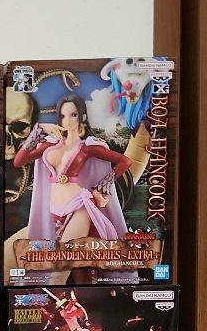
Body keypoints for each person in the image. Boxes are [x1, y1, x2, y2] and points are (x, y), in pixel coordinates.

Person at [13, 94, 131, 252]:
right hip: (54, 208)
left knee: (64, 255)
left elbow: (125, 161)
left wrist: (106, 181)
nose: (67, 120)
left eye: (73, 115)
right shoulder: (49, 145)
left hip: (80, 205)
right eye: (62, 116)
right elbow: (19, 161)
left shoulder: (88, 146)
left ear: (82, 117)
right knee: (65, 259)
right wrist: (38, 129)